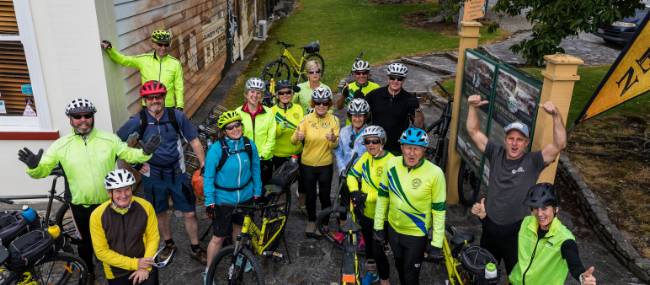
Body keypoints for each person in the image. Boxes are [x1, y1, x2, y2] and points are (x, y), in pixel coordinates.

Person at [18, 98, 159, 280]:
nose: (83, 119)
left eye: (87, 115)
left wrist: (145, 153)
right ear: (70, 119)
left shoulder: (109, 139)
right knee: (85, 243)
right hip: (80, 206)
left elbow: (129, 154)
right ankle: (88, 271)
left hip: (109, 203)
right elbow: (42, 170)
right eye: (77, 116)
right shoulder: (61, 145)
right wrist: (34, 167)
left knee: (114, 241)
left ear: (93, 117)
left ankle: (116, 270)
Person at [466, 95, 567, 274]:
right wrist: (472, 107)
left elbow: (560, 144)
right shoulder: (495, 153)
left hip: (517, 231)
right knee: (484, 273)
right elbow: (473, 131)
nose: (514, 143)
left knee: (517, 276)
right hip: (489, 225)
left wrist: (556, 116)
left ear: (526, 143)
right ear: (505, 140)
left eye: (520, 139)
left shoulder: (534, 161)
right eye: (511, 138)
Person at [116, 80, 207, 264]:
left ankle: (196, 247)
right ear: (145, 100)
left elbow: (194, 141)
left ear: (164, 97)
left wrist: (204, 165)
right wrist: (135, 163)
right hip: (153, 174)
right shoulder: (138, 120)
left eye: (158, 96)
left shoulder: (176, 116)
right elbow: (117, 143)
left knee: (189, 212)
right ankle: (169, 243)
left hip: (177, 172)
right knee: (160, 212)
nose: (154, 100)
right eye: (150, 98)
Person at [373, 127, 446, 285]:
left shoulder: (435, 173)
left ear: (424, 150)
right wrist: (379, 226)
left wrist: (437, 243)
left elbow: (439, 211)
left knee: (411, 276)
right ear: (401, 147)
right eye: (408, 147)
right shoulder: (391, 164)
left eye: (417, 148)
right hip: (394, 230)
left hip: (416, 235)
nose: (412, 153)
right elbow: (383, 196)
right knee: (399, 266)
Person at [203, 111, 262, 273]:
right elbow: (208, 177)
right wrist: (210, 201)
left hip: (245, 196)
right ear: (224, 132)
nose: (235, 129)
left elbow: (256, 169)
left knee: (239, 232)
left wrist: (257, 192)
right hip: (224, 199)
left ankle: (236, 261)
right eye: (230, 128)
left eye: (237, 125)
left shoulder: (249, 145)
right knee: (219, 237)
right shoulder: (216, 150)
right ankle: (208, 271)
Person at [509, 183, 597, 285]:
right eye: (536, 208)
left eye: (544, 208)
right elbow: (506, 231)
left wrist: (581, 277)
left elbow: (575, 264)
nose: (539, 213)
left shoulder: (565, 239)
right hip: (515, 282)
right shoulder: (526, 222)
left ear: (556, 209)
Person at [90, 169, 160, 285]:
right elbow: (101, 251)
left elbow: (153, 238)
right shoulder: (97, 215)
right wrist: (135, 263)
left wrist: (144, 267)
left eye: (127, 189)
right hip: (116, 271)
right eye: (118, 191)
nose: (123, 195)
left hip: (146, 262)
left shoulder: (146, 207)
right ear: (109, 193)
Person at [346, 125, 394, 285]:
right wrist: (354, 192)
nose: (371, 145)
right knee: (368, 247)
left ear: (382, 142)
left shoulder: (391, 161)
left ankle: (385, 280)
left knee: (378, 251)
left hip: (383, 216)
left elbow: (389, 192)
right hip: (365, 212)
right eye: (367, 142)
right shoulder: (366, 157)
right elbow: (352, 175)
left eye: (375, 141)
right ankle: (373, 274)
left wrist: (366, 197)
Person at [292, 87, 340, 237]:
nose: (321, 106)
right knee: (311, 195)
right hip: (307, 164)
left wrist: (332, 140)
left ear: (329, 104)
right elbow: (293, 141)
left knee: (325, 195)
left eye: (325, 103)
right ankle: (312, 221)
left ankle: (324, 222)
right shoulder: (306, 119)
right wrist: (298, 137)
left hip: (325, 164)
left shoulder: (334, 120)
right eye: (318, 102)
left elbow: (336, 145)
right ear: (313, 103)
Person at [101, 30, 184, 109]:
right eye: (160, 44)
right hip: (148, 105)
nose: (163, 48)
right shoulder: (144, 59)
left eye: (166, 45)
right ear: (153, 44)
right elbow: (123, 60)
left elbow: (179, 86)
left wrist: (180, 106)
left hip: (168, 106)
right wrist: (110, 49)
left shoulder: (175, 63)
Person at [332, 98, 370, 242]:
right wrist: (342, 168)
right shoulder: (344, 131)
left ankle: (363, 235)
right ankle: (343, 230)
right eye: (354, 115)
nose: (357, 118)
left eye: (361, 115)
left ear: (365, 116)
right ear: (350, 116)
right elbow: (338, 152)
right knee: (344, 203)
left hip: (362, 176)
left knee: (361, 206)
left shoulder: (370, 133)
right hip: (345, 173)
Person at [365, 63, 423, 155]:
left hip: (397, 148)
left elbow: (419, 126)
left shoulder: (409, 98)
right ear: (388, 78)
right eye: (392, 77)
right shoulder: (374, 95)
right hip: (377, 146)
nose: (395, 81)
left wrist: (418, 109)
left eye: (399, 79)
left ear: (404, 80)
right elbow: (361, 116)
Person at [235, 77, 276, 188]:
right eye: (252, 91)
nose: (255, 95)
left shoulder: (269, 113)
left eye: (258, 93)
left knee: (263, 190)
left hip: (264, 159)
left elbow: (271, 137)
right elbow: (235, 137)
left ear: (261, 96)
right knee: (245, 189)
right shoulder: (238, 113)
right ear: (246, 94)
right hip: (245, 158)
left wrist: (262, 156)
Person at [270, 80, 305, 209]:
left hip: (297, 151)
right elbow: (273, 135)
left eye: (288, 92)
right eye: (282, 93)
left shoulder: (298, 108)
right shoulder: (271, 111)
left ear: (292, 93)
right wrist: (279, 127)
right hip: (279, 153)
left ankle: (302, 206)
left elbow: (302, 126)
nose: (285, 95)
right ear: (277, 95)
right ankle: (281, 207)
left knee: (303, 181)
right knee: (281, 184)